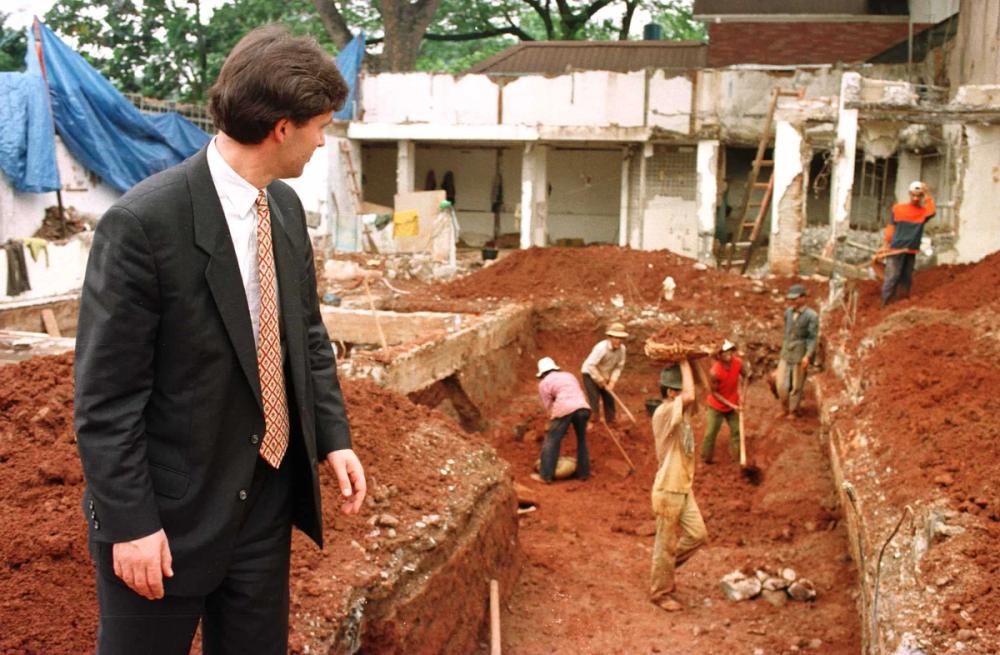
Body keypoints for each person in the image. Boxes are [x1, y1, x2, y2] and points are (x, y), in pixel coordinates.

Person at [73, 26, 366, 655]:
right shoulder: (143, 224)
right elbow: (106, 398)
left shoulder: (283, 210)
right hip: (166, 519)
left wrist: (333, 437)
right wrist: (131, 524)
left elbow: (306, 336)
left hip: (262, 504)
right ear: (282, 128)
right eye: (320, 126)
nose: (323, 140)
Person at [649, 358, 707, 612]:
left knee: (698, 535)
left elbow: (702, 389)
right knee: (665, 544)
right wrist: (683, 361)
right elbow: (690, 395)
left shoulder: (681, 413)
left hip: (683, 487)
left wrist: (693, 362)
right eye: (680, 390)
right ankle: (660, 592)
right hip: (668, 489)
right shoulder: (664, 412)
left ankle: (664, 569)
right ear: (672, 393)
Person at [532, 357, 592, 483]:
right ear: (555, 368)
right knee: (582, 440)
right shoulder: (569, 375)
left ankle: (545, 476)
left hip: (564, 408)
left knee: (551, 440)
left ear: (542, 374)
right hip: (583, 407)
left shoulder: (544, 383)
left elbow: (549, 406)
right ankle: (584, 473)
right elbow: (577, 392)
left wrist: (552, 423)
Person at [880, 181, 935, 307]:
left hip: (911, 251)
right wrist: (885, 244)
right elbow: (891, 227)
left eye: (919, 196)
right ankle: (885, 306)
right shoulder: (898, 208)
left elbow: (932, 211)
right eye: (913, 195)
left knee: (906, 279)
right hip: (896, 250)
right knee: (892, 277)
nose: (915, 198)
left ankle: (902, 305)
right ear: (909, 194)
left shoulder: (922, 213)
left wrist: (927, 194)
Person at [700, 340, 750, 465]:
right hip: (716, 407)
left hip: (733, 404)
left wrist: (743, 395)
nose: (728, 354)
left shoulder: (738, 363)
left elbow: (746, 376)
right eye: (725, 352)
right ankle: (705, 459)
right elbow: (714, 393)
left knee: (737, 431)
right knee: (711, 433)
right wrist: (732, 405)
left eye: (730, 351)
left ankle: (736, 459)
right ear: (719, 356)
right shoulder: (715, 372)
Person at [774, 284, 818, 417]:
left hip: (800, 353)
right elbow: (787, 332)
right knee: (781, 384)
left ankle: (793, 411)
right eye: (790, 299)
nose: (792, 302)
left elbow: (812, 338)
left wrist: (807, 356)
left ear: (803, 298)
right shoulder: (788, 313)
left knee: (796, 385)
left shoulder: (812, 316)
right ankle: (784, 408)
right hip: (787, 353)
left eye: (795, 299)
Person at [581, 322, 628, 424]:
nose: (618, 340)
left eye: (620, 338)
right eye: (616, 338)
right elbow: (590, 365)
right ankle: (593, 421)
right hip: (590, 373)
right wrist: (599, 379)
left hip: (605, 375)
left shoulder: (622, 350)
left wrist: (612, 382)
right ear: (609, 337)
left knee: (609, 398)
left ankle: (611, 421)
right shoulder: (601, 348)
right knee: (594, 398)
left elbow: (618, 367)